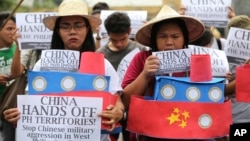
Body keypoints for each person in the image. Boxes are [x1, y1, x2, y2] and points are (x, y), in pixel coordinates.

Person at [3, 0, 125, 141]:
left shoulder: (103, 64)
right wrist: (18, 115)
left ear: (87, 29)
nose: (72, 31)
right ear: (58, 31)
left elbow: (118, 101)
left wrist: (119, 112)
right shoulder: (42, 64)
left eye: (78, 26)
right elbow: (33, 103)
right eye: (65, 26)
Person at [121, 5, 205, 141]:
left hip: (187, 132)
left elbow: (208, 98)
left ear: (185, 38)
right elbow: (125, 101)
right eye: (162, 37)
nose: (169, 42)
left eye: (175, 36)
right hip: (148, 133)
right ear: (154, 39)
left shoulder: (196, 60)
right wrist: (145, 75)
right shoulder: (142, 58)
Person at [96, 11, 147, 141]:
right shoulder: (99, 56)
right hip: (111, 110)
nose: (119, 44)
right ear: (107, 34)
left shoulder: (142, 51)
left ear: (130, 31)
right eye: (114, 40)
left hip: (137, 109)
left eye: (123, 39)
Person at [0, 12, 23, 141]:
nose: (13, 32)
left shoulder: (19, 50)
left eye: (15, 28)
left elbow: (17, 72)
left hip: (10, 108)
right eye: (9, 28)